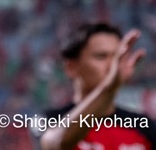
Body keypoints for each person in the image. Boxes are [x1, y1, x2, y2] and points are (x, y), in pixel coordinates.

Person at [37, 22, 156, 150]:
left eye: (118, 57)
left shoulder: (145, 126)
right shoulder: (49, 119)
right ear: (71, 67)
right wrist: (108, 87)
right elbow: (56, 144)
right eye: (101, 56)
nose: (113, 65)